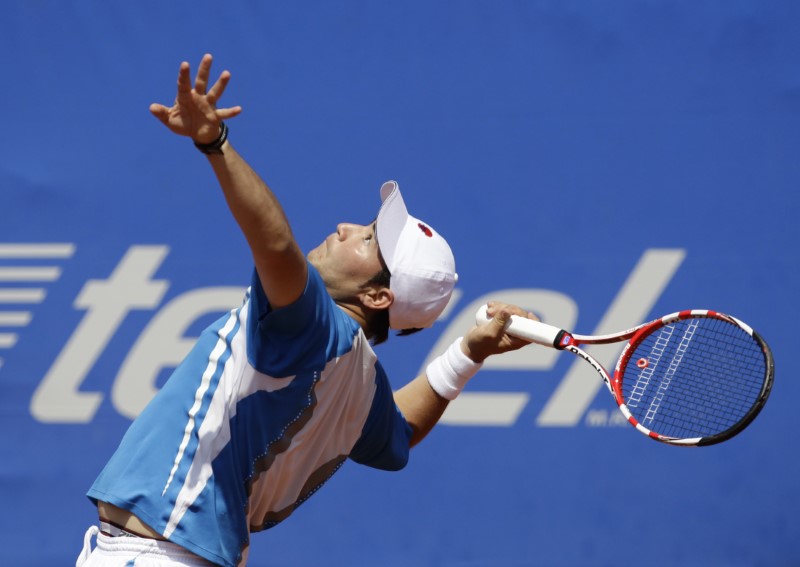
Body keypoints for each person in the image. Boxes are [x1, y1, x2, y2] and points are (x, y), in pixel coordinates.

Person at [76, 54, 536, 567]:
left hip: (155, 555)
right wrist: (468, 351)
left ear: (377, 297)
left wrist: (215, 144)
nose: (344, 227)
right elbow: (400, 431)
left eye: (367, 239)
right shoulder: (360, 379)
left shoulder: (316, 326)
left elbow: (275, 247)